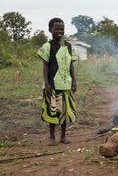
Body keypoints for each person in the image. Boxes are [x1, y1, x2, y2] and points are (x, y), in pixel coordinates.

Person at [37, 17, 77, 146]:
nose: (60, 31)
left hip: (66, 85)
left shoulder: (69, 47)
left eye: (62, 28)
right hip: (52, 85)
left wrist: (74, 82)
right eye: (56, 28)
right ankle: (52, 136)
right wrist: (47, 83)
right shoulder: (47, 46)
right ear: (50, 30)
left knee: (65, 112)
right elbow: (45, 66)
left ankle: (63, 136)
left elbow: (71, 65)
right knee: (53, 111)